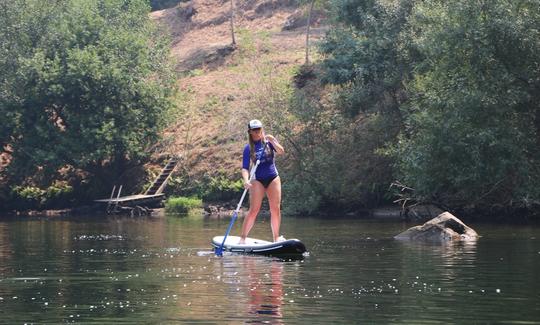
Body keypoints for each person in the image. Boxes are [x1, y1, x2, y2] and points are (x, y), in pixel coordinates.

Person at [239, 119, 285, 244]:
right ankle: (243, 238)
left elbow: (281, 151)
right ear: (250, 132)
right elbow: (245, 168)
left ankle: (276, 238)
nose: (258, 131)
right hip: (257, 179)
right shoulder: (248, 148)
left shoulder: (268, 142)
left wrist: (273, 140)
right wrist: (246, 180)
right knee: (254, 209)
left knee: (275, 209)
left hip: (273, 177)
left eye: (259, 129)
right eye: (255, 130)